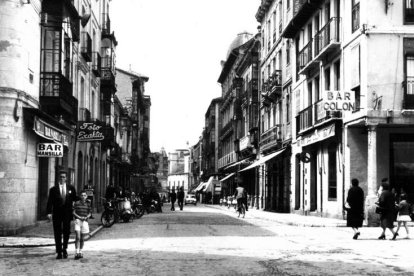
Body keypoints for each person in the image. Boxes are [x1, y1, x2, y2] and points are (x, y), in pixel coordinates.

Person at [46, 170, 77, 259]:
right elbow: (50, 202)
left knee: (66, 231)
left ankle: (65, 249)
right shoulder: (53, 189)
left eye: (64, 177)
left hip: (67, 213)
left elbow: (75, 198)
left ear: (66, 178)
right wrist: (49, 212)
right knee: (57, 232)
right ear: (58, 178)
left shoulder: (71, 188)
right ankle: (59, 251)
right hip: (57, 213)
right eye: (61, 177)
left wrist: (84, 199)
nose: (62, 178)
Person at [72, 190, 92, 260]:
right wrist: (79, 217)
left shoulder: (88, 204)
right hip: (78, 221)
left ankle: (81, 251)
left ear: (86, 196)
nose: (83, 197)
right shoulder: (77, 203)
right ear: (80, 196)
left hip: (85, 221)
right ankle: (76, 251)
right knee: (77, 237)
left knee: (82, 238)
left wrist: (87, 217)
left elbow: (90, 213)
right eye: (82, 195)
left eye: (84, 195)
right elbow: (73, 212)